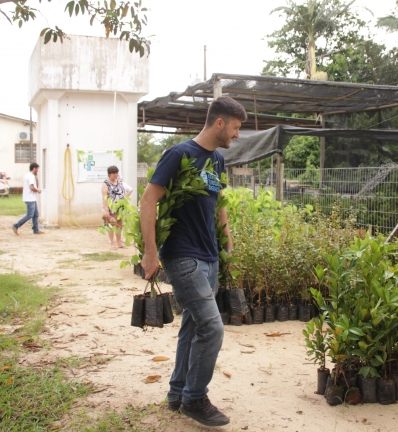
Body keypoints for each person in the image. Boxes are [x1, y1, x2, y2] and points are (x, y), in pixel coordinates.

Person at [140, 96, 247, 427]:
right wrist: (149, 251)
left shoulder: (217, 160)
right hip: (182, 256)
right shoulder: (179, 154)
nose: (237, 135)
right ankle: (195, 398)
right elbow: (148, 200)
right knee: (212, 328)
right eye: (236, 128)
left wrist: (227, 247)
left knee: (192, 325)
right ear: (219, 123)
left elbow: (219, 204)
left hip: (209, 257)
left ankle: (177, 394)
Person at [101, 165, 133, 249]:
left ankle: (119, 242)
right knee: (111, 224)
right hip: (111, 206)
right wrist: (106, 210)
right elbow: (104, 198)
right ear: (109, 174)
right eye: (114, 173)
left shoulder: (119, 182)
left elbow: (127, 191)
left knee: (119, 224)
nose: (116, 174)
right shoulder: (105, 184)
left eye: (116, 173)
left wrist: (124, 200)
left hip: (120, 206)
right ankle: (112, 243)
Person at [12, 163, 43, 235]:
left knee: (35, 214)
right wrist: (38, 191)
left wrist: (37, 178)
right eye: (37, 169)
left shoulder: (29, 175)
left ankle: (36, 229)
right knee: (30, 215)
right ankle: (16, 225)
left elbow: (35, 185)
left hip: (31, 198)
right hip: (30, 198)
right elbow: (31, 187)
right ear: (34, 168)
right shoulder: (31, 176)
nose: (38, 170)